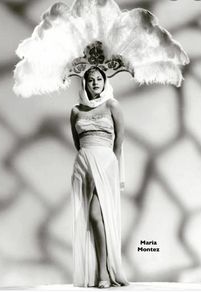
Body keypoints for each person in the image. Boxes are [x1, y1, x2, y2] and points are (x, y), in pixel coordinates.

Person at [70, 66, 129, 288]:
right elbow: (77, 143)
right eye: (90, 80)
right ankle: (99, 272)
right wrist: (87, 163)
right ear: (84, 84)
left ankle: (105, 271)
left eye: (99, 79)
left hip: (105, 163)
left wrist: (107, 168)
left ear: (105, 81)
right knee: (91, 218)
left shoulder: (112, 105)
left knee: (97, 217)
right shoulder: (76, 111)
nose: (95, 83)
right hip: (83, 165)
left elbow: (119, 141)